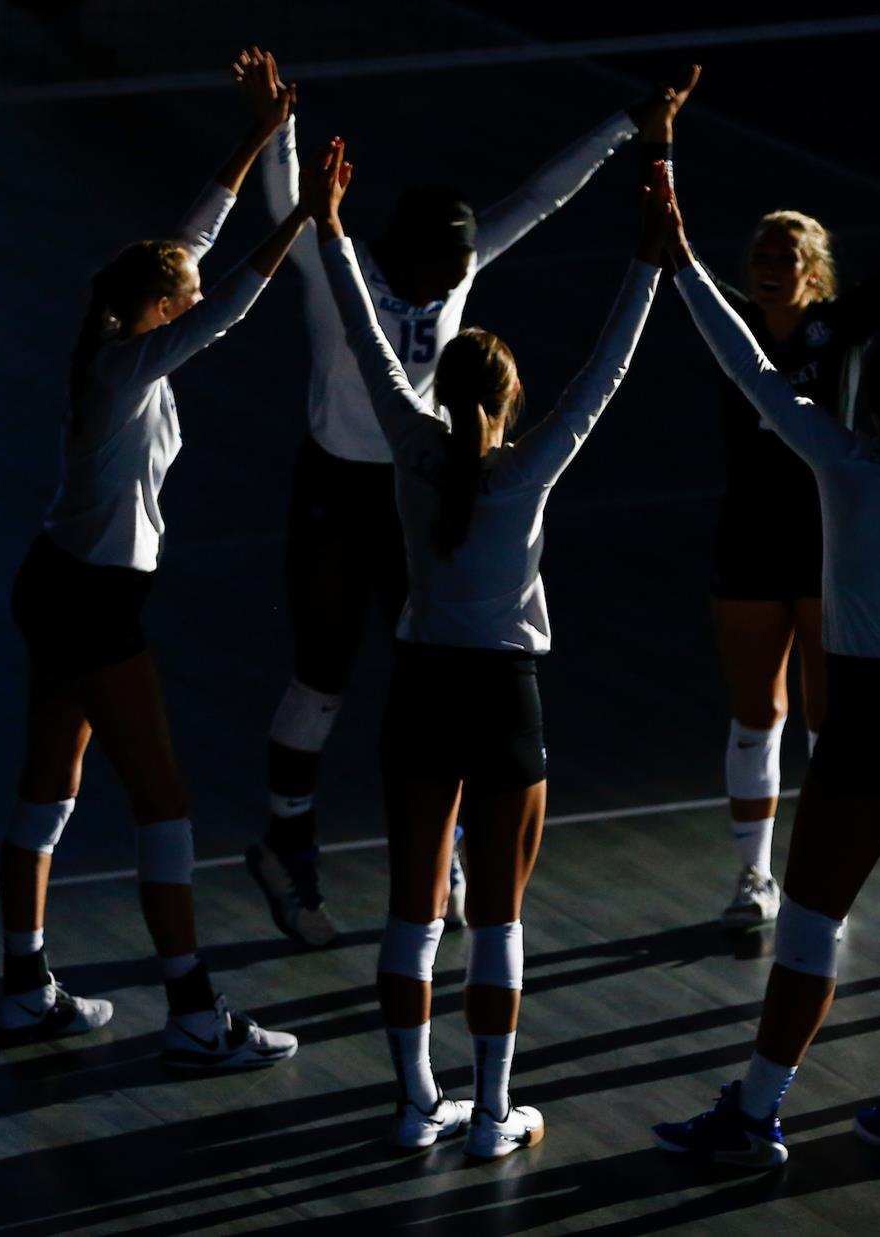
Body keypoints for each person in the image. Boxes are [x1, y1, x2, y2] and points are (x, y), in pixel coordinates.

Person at [241, 52, 698, 948]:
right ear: (405, 253)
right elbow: (286, 201)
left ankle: (443, 849)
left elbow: (539, 199)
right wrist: (275, 125)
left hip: (428, 484)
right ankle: (286, 847)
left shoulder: (458, 263)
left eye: (463, 271)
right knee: (323, 676)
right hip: (344, 486)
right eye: (443, 270)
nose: (455, 282)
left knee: (436, 673)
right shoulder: (344, 270)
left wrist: (627, 125)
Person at [315, 141, 670, 1157]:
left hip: (421, 687)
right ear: (512, 400)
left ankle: (412, 1101)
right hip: (503, 695)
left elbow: (363, 331)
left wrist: (332, 227)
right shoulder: (525, 471)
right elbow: (606, 370)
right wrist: (649, 258)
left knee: (411, 907)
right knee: (499, 917)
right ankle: (489, 1112)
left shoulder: (407, 442)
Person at [653, 136, 880, 1169]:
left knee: (808, 925)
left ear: (869, 405)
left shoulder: (840, 463)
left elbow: (748, 368)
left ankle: (754, 1112)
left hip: (872, 712)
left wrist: (676, 261)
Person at [0, 52, 316, 1071]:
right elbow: (222, 304)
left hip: (52, 582)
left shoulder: (117, 326)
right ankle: (191, 1011)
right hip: (89, 602)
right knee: (161, 799)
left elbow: (190, 243)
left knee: (50, 785)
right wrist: (304, 220)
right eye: (180, 290)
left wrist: (258, 136)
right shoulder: (132, 365)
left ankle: (25, 988)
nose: (190, 286)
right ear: (162, 308)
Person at [705, 160, 880, 931]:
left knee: (826, 714)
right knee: (755, 713)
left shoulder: (837, 327)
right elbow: (670, 273)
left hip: (824, 543)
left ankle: (822, 877)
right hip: (747, 542)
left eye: (786, 257)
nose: (770, 268)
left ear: (814, 272)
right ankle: (753, 876)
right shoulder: (731, 323)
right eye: (761, 257)